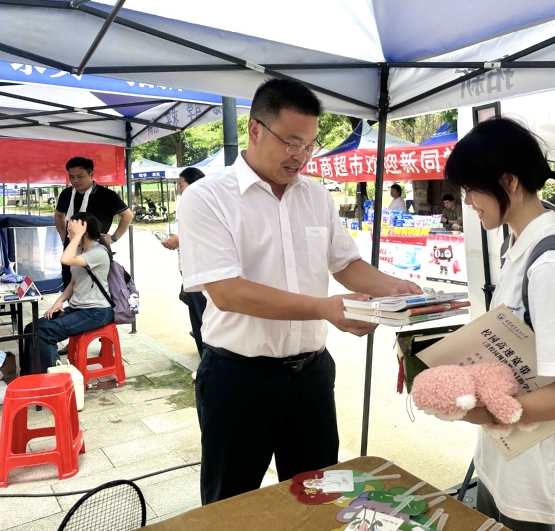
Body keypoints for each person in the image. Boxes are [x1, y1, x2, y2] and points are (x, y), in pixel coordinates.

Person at [178, 78, 422, 505]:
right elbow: (228, 292)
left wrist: (398, 289)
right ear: (255, 130)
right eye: (291, 143)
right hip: (238, 379)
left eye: (309, 145)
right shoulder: (207, 197)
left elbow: (345, 264)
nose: (301, 156)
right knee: (230, 504)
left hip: (311, 375)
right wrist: (325, 308)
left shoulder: (316, 195)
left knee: (319, 497)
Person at [444, 116, 555, 530]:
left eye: (471, 189)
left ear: (508, 182)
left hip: (540, 483)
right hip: (507, 466)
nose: (468, 202)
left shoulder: (550, 266)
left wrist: (485, 411)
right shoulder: (519, 248)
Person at [23, 212, 115, 373]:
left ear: (83, 232)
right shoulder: (80, 250)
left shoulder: (98, 252)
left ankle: (53, 379)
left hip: (97, 311)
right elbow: (73, 282)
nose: (67, 235)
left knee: (45, 332)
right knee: (32, 328)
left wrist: (77, 235)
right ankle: (32, 376)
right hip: (80, 308)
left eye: (70, 231)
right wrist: (59, 302)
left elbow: (65, 259)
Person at [55, 157, 133, 287]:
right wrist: (64, 237)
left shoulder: (106, 195)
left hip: (95, 247)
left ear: (91, 174)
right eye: (71, 177)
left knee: (94, 285)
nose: (75, 180)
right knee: (70, 282)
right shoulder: (67, 194)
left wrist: (114, 237)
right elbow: (59, 216)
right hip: (72, 246)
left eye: (80, 176)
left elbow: (127, 215)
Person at [162, 167, 207, 359]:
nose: (179, 189)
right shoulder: (197, 202)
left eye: (181, 185)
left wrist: (179, 240)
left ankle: (206, 358)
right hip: (192, 266)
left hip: (198, 268)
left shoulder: (199, 203)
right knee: (200, 311)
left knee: (200, 315)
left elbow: (204, 235)